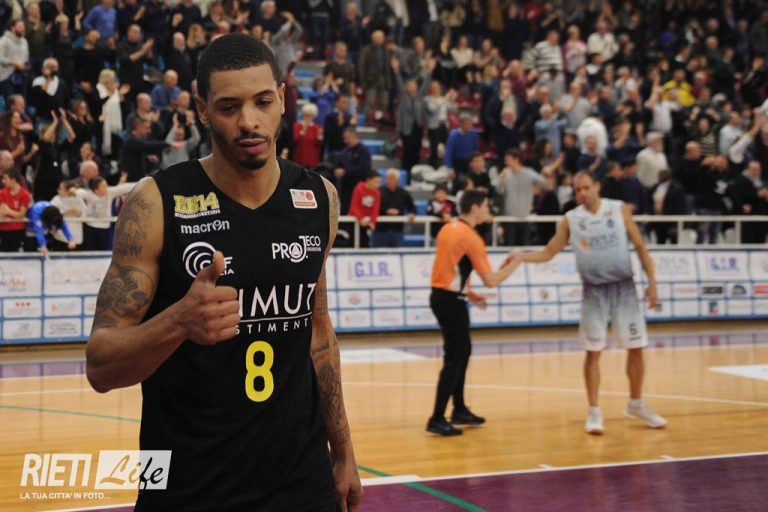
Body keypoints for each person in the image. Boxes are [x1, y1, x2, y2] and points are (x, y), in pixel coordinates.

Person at [85, 33, 362, 511]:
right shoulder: (155, 202)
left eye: (263, 102)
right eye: (229, 107)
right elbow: (101, 366)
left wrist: (344, 452)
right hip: (189, 487)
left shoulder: (320, 198)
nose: (249, 121)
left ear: (282, 99)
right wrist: (178, 321)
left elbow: (318, 332)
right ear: (202, 109)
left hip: (303, 481)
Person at [514, 171, 667, 435]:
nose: (582, 193)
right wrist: (521, 256)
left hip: (624, 288)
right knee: (593, 351)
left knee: (636, 347)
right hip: (594, 292)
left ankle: (636, 403)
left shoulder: (618, 209)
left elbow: (641, 246)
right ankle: (594, 411)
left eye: (586, 188)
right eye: (577, 190)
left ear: (597, 186)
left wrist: (652, 283)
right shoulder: (571, 219)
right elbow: (549, 252)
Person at [427, 189, 522, 436]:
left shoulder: (448, 229)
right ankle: (437, 417)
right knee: (455, 357)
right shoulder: (471, 237)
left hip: (444, 297)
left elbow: (450, 272)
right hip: (451, 301)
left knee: (462, 352)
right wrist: (516, 263)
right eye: (486, 206)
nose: (488, 211)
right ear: (475, 208)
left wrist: (469, 293)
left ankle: (459, 409)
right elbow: (491, 281)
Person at [372, 168, 415, 248]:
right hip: (380, 231)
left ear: (397, 180)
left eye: (391, 178)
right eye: (387, 178)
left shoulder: (403, 193)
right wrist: (386, 211)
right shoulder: (379, 191)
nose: (388, 181)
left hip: (397, 231)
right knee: (378, 253)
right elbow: (373, 207)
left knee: (398, 253)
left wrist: (412, 214)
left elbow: (411, 207)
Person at [0, 168, 32, 252]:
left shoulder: (25, 194)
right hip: (3, 230)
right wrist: (13, 213)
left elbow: (21, 215)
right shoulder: (2, 193)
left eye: (5, 179)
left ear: (13, 180)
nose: (3, 181)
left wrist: (8, 211)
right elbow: (2, 212)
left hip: (17, 230)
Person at [347, 171, 381, 248]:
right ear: (369, 180)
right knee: (352, 244)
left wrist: (373, 221)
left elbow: (376, 209)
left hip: (366, 223)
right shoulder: (358, 189)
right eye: (376, 182)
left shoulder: (377, 192)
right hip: (355, 221)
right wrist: (361, 218)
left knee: (365, 245)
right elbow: (354, 207)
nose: (378, 184)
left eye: (379, 182)